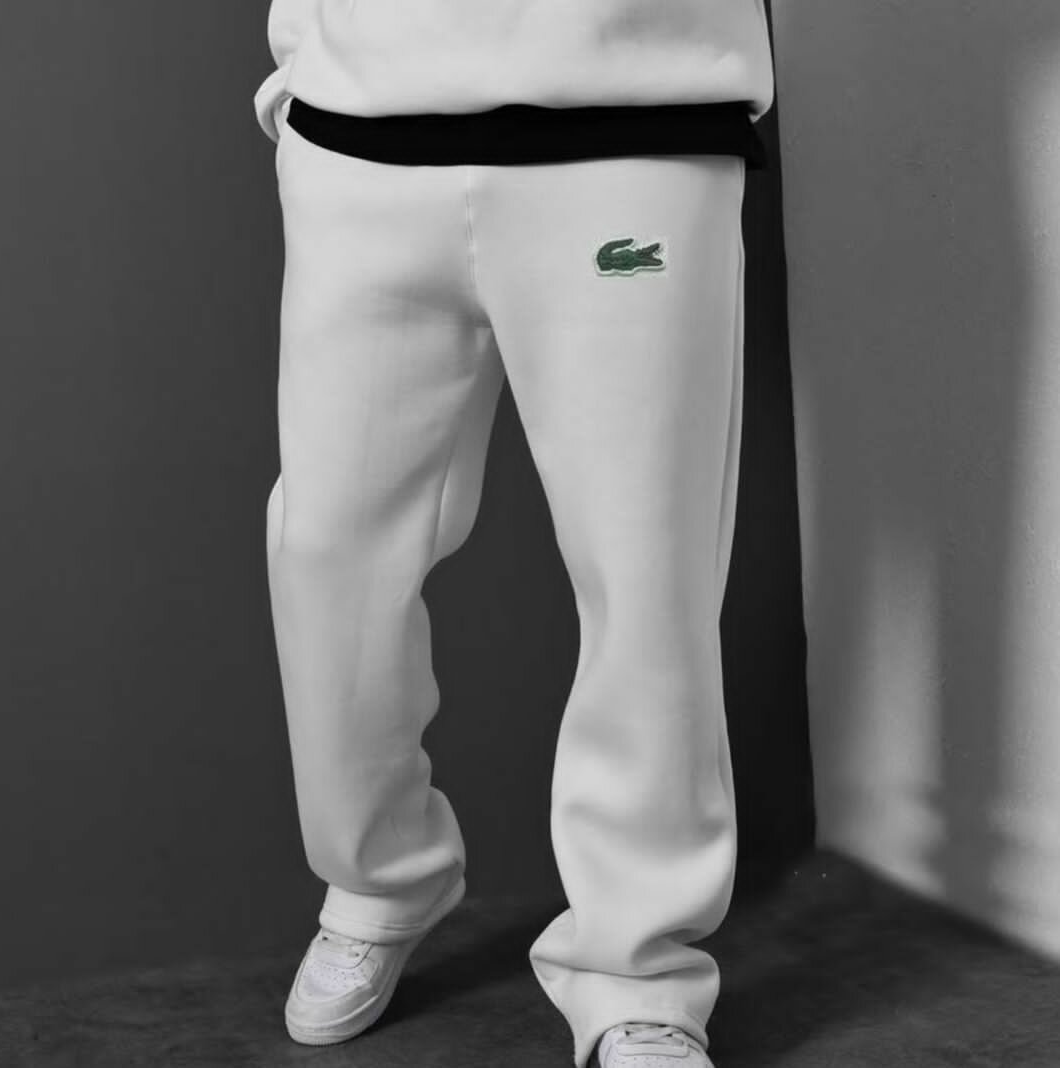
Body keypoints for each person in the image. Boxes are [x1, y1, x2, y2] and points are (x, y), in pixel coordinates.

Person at [254, 4, 775, 1066]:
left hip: (632, 124)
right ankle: (378, 878)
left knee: (646, 571)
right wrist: (302, 79)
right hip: (359, 129)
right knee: (328, 550)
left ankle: (637, 968)